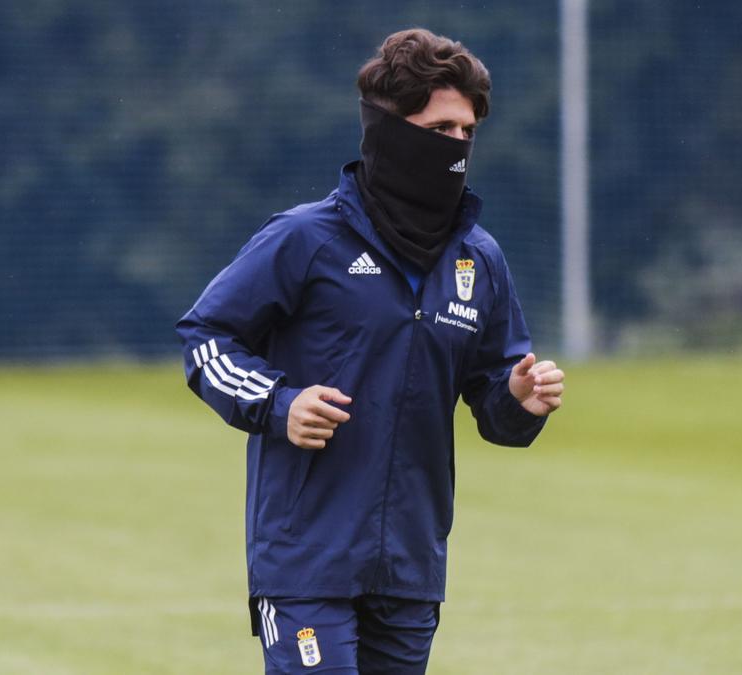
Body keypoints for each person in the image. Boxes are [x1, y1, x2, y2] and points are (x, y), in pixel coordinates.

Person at [176, 28, 564, 674]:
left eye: (468, 133)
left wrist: (522, 400)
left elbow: (497, 406)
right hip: (305, 561)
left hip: (411, 569)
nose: (459, 146)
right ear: (392, 129)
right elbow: (206, 338)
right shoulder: (304, 239)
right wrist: (280, 402)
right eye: (441, 130)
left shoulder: (479, 259)